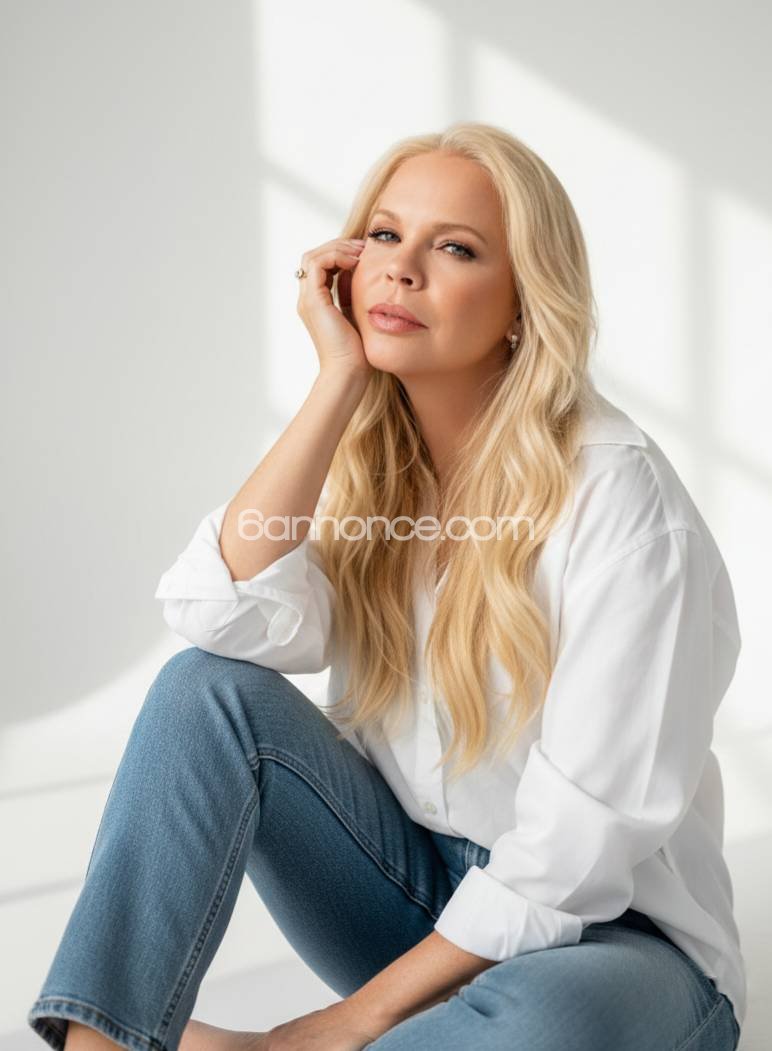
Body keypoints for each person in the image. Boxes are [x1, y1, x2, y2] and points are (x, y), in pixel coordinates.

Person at [27, 121, 744, 1051]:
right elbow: (218, 615)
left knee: (542, 1025)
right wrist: (337, 380)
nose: (401, 269)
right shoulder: (373, 468)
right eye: (383, 235)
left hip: (613, 947)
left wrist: (339, 1023)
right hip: (414, 903)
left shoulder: (621, 499)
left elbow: (575, 853)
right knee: (204, 693)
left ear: (525, 302)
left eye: (456, 248)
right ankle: (107, 1042)